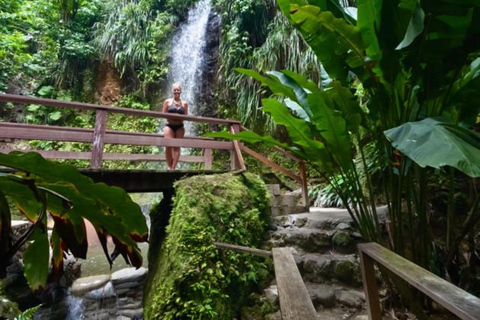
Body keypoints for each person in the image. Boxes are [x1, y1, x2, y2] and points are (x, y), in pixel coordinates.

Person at [162, 83, 188, 170]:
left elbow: (186, 116)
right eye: (175, 90)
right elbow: (163, 114)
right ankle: (169, 166)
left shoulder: (184, 103)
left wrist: (178, 117)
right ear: (172, 91)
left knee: (177, 147)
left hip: (180, 127)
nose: (176, 91)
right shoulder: (167, 102)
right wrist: (173, 117)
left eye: (178, 90)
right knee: (168, 146)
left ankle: (172, 168)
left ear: (181, 91)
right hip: (169, 126)